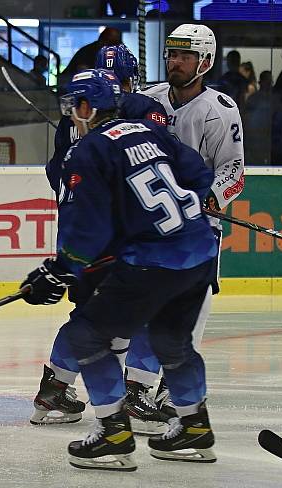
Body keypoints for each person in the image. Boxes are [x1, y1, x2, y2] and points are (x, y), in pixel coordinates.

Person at [20, 70, 218, 471]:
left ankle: (113, 432)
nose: (71, 113)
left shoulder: (88, 151)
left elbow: (86, 228)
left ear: (86, 107)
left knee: (86, 335)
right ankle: (194, 427)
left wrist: (60, 269)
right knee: (171, 340)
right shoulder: (154, 131)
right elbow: (199, 174)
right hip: (199, 253)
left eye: (73, 105)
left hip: (152, 263)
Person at [32, 45, 167, 427]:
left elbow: (57, 173)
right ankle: (136, 397)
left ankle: (55, 389)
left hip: (84, 231)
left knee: (91, 315)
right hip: (120, 235)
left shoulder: (79, 111)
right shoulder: (140, 107)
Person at [131, 23, 244, 430]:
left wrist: (209, 198)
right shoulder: (147, 99)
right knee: (146, 308)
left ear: (206, 61)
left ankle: (172, 390)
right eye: (172, 54)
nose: (174, 62)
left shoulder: (220, 110)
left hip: (197, 231)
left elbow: (233, 169)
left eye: (184, 56)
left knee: (189, 314)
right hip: (151, 226)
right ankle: (138, 388)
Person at [57, 26, 121, 89]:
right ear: (102, 40)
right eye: (111, 43)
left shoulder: (117, 55)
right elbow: (84, 75)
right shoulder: (87, 52)